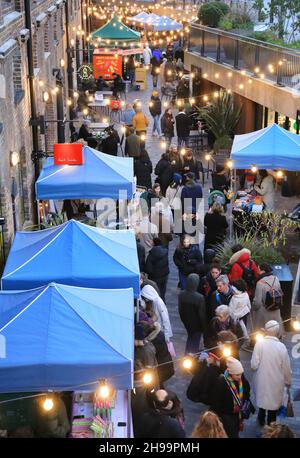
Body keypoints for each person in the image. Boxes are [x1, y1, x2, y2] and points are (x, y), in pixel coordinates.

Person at [251, 320, 292, 426]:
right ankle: (271, 427)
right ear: (277, 332)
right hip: (276, 382)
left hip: (261, 380)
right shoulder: (281, 347)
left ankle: (260, 418)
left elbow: (254, 365)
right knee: (272, 407)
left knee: (262, 401)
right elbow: (286, 367)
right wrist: (288, 381)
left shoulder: (259, 344)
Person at [210, 357, 251, 438]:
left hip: (237, 415)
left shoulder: (242, 379)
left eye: (241, 374)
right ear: (231, 373)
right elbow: (216, 402)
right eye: (237, 375)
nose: (240, 377)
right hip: (226, 416)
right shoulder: (221, 382)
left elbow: (247, 391)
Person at [178, 273, 207, 354]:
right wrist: (204, 327)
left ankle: (186, 355)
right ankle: (192, 358)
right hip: (197, 325)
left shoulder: (182, 294)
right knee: (195, 341)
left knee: (190, 338)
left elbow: (180, 311)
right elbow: (202, 315)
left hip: (187, 323)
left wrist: (184, 321)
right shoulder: (199, 297)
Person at [252, 263, 284, 334]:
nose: (257, 270)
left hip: (264, 313)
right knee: (275, 331)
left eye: (258, 269)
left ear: (262, 271)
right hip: (275, 308)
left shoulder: (260, 283)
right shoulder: (276, 279)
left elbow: (257, 302)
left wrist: (253, 307)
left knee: (264, 332)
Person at [142, 322, 174, 387]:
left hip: (162, 368)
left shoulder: (153, 342)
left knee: (157, 385)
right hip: (167, 364)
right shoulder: (159, 333)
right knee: (159, 384)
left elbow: (150, 359)